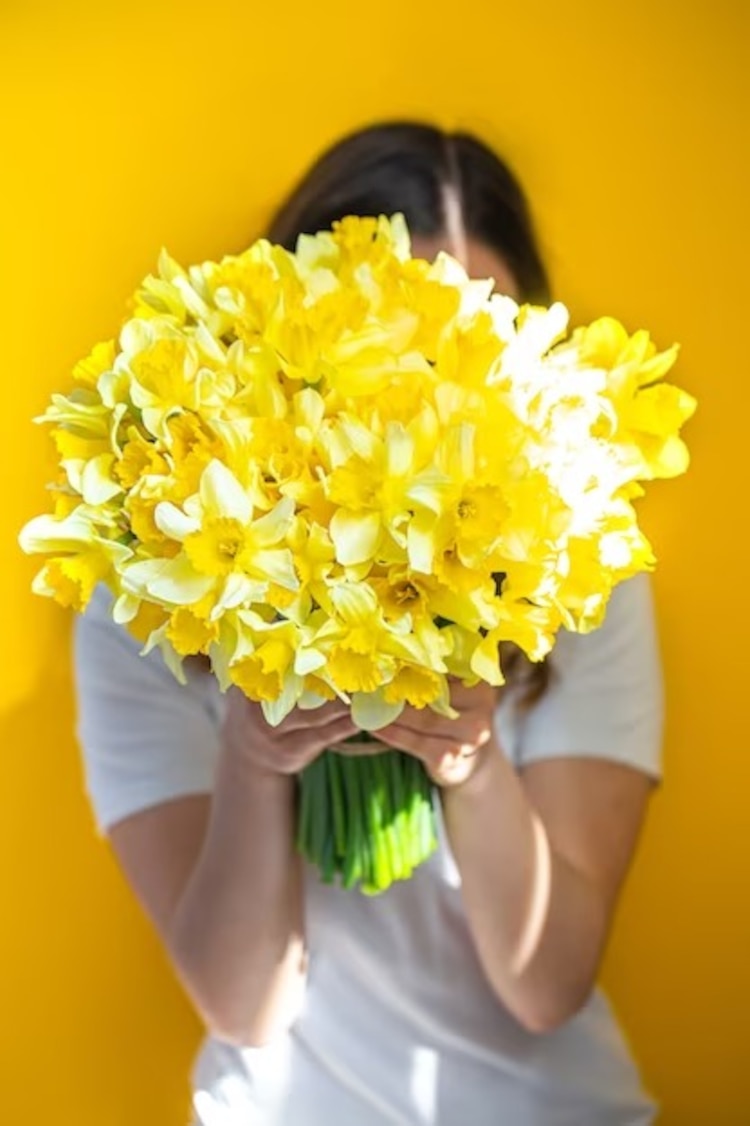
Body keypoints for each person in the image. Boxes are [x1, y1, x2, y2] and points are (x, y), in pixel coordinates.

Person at [73, 121, 664, 1125]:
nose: (446, 400)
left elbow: (546, 983)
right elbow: (243, 1006)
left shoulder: (585, 567)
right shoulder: (147, 589)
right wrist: (256, 757)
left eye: (486, 349)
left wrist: (470, 761)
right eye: (409, 352)